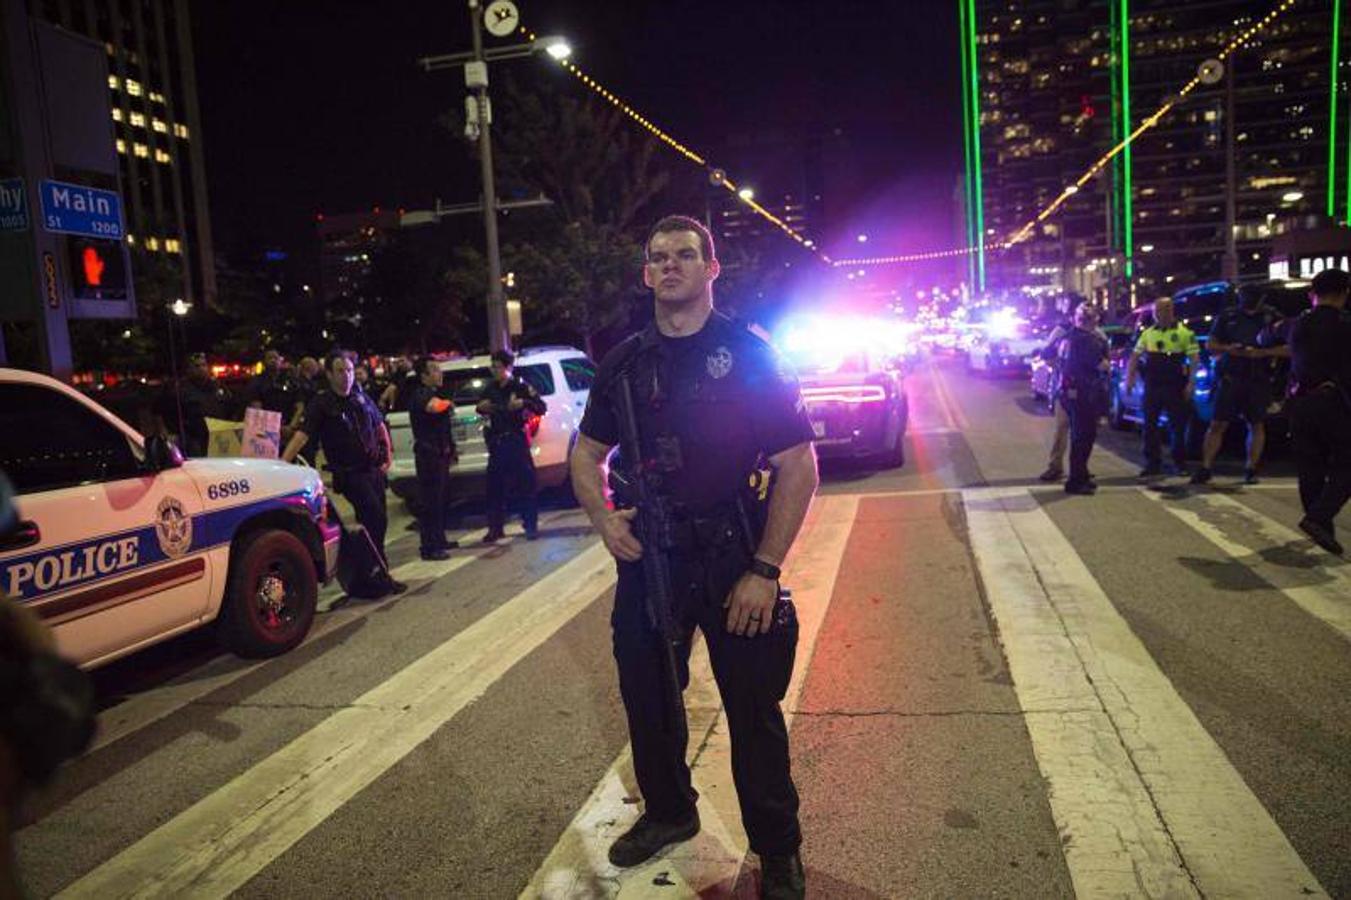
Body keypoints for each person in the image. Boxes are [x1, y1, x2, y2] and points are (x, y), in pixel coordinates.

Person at [570, 215, 818, 899]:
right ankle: (670, 813)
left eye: (685, 254)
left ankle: (778, 850)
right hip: (651, 555)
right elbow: (586, 455)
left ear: (711, 268)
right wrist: (602, 517)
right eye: (657, 257)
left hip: (733, 552)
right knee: (648, 700)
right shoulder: (622, 364)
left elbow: (798, 464)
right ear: (646, 274)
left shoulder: (748, 353)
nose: (670, 266)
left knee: (751, 709)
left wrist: (763, 570)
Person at [281, 350, 405, 596]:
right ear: (328, 374)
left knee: (377, 523)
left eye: (349, 370)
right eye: (340, 371)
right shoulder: (322, 403)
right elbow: (303, 435)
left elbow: (379, 424)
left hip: (373, 470)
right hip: (350, 474)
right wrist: (282, 463)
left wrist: (388, 452)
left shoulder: (360, 396)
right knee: (374, 518)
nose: (346, 376)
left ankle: (374, 575)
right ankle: (374, 576)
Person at [1286, 268, 1351, 555]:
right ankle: (1319, 517)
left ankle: (1321, 528)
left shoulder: (1297, 323)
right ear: (1343, 292)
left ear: (1314, 293)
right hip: (1333, 401)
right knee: (1347, 464)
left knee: (1310, 467)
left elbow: (1265, 337)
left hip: (1300, 402)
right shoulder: (1344, 324)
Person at [1192, 286, 1284, 485]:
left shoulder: (1272, 317)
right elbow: (1211, 345)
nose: (1249, 300)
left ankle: (1251, 468)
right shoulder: (1228, 316)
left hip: (1258, 377)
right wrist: (1229, 348)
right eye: (1245, 296)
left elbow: (1289, 347)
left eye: (1253, 296)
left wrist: (1262, 353)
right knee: (1217, 423)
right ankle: (1206, 467)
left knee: (1256, 424)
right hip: (1231, 376)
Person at [1125, 296, 1200, 478]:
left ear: (1172, 311)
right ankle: (1152, 463)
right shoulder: (1148, 333)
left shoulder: (1185, 333)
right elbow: (1135, 356)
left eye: (1166, 309)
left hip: (1175, 385)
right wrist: (1130, 377)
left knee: (1178, 426)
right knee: (1150, 425)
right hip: (1153, 385)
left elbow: (1194, 359)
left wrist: (1191, 383)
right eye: (1158, 310)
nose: (1162, 313)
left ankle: (1179, 462)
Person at [477, 350, 546, 542]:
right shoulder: (490, 388)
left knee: (526, 485)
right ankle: (495, 528)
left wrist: (523, 403)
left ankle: (530, 525)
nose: (494, 371)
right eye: (493, 367)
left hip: (516, 440)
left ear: (508, 367)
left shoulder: (520, 386)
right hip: (497, 442)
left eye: (498, 367)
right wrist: (482, 407)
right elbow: (480, 406)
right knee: (494, 487)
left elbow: (541, 406)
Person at [1038, 297, 1102, 483]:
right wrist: (1060, 366)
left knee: (1082, 432)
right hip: (1064, 389)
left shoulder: (1095, 334)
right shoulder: (1062, 332)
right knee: (1063, 428)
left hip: (1087, 390)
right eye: (1082, 315)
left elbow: (1103, 354)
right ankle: (1055, 466)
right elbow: (1046, 354)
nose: (1085, 320)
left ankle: (1080, 469)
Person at [408, 356, 459, 560]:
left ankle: (439, 539)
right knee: (430, 502)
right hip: (428, 455)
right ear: (424, 376)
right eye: (435, 370)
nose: (440, 373)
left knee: (440, 500)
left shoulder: (434, 394)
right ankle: (428, 547)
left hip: (440, 454)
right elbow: (433, 407)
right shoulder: (421, 394)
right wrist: (448, 403)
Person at [1056, 304, 1110, 495]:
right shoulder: (1087, 340)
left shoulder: (1067, 337)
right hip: (1084, 393)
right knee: (1084, 437)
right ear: (1093, 320)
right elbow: (1101, 365)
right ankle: (1076, 480)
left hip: (1069, 392)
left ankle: (1081, 475)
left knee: (1080, 436)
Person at [152, 352, 229, 457]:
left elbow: (229, 406)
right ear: (188, 370)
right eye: (197, 366)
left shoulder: (216, 386)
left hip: (217, 437)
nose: (202, 369)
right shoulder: (178, 389)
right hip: (191, 440)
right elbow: (158, 410)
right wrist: (165, 433)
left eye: (204, 365)